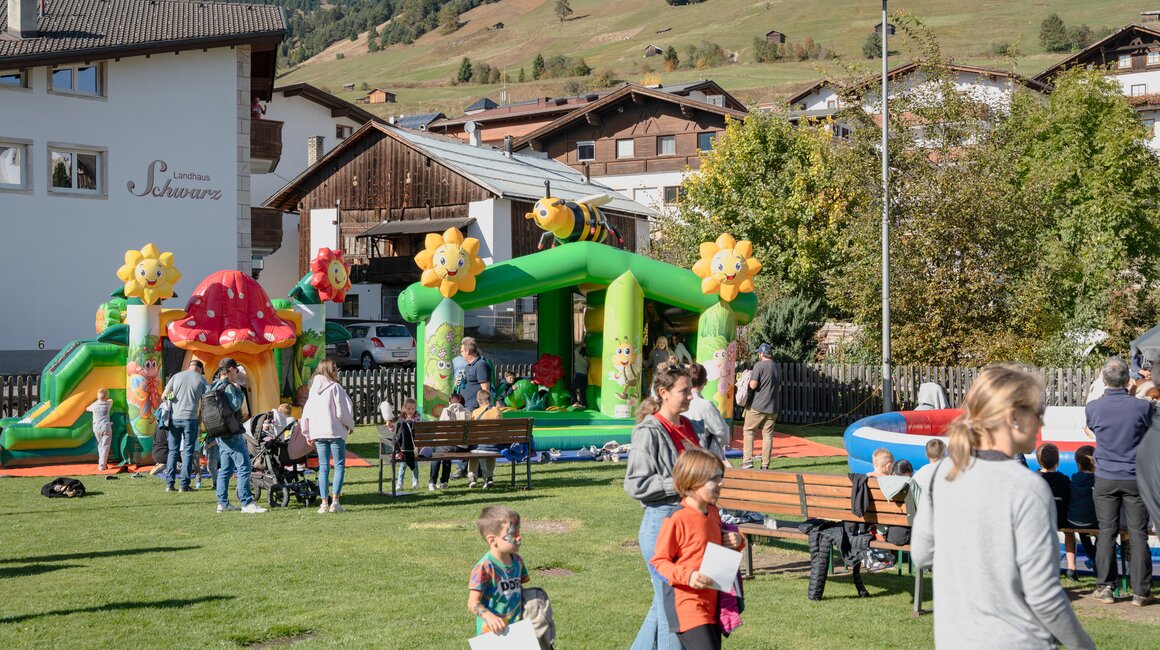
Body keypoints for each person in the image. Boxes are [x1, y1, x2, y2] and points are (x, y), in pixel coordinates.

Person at [911, 365, 1093, 649]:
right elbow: (1044, 597)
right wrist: (1084, 645)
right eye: (1038, 413)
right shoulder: (1027, 487)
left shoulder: (942, 472)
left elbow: (922, 555)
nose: (1041, 424)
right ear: (1013, 418)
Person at [624, 364, 699, 650]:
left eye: (690, 390)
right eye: (684, 391)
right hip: (661, 527)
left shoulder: (689, 426)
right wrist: (682, 483)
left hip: (689, 526)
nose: (690, 396)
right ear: (663, 393)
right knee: (674, 608)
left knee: (663, 604)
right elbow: (635, 485)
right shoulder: (649, 431)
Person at [650, 447, 746, 650]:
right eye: (714, 478)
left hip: (713, 604)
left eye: (721, 476)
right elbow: (659, 562)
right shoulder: (677, 519)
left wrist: (738, 540)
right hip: (688, 606)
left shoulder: (713, 512)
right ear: (693, 481)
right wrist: (689, 576)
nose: (721, 482)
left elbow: (725, 543)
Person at [1084, 356, 1154, 606]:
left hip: (1105, 476)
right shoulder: (1142, 407)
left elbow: (1092, 427)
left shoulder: (1093, 408)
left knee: (1107, 532)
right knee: (1138, 534)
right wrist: (1133, 394)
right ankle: (1140, 591)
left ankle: (1105, 588)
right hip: (1135, 477)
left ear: (1103, 379)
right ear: (1128, 379)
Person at [209, 358, 266, 514]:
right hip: (231, 433)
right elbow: (235, 405)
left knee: (226, 469)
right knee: (244, 467)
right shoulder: (228, 386)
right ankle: (247, 503)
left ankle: (222, 503)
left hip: (220, 432)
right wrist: (238, 390)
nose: (238, 374)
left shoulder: (213, 385)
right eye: (237, 371)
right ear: (231, 369)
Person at [301, 359, 355, 513]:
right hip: (335, 431)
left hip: (318, 432)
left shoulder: (312, 389)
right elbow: (342, 411)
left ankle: (324, 503)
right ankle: (335, 502)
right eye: (335, 368)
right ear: (330, 370)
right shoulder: (336, 388)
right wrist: (350, 425)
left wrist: (307, 432)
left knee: (323, 467)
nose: (336, 370)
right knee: (339, 466)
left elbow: (307, 413)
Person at [468, 505, 531, 636]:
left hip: (517, 630)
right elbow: (472, 603)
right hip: (492, 633)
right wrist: (489, 617)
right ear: (492, 540)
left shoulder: (517, 562)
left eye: (519, 532)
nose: (519, 538)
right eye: (513, 534)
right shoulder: (484, 567)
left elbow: (519, 591)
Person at [161, 359, 208, 492]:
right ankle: (184, 485)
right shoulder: (201, 379)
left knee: (173, 451)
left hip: (174, 418)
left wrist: (175, 396)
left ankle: (169, 485)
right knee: (188, 452)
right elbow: (209, 399)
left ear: (189, 367)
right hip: (190, 419)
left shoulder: (176, 376)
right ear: (199, 369)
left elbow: (163, 397)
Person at [741, 343, 779, 470]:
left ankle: (747, 461)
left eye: (759, 353)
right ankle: (765, 464)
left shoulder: (759, 365)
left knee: (748, 431)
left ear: (762, 353)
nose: (758, 354)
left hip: (758, 406)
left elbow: (753, 385)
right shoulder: (777, 367)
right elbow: (779, 386)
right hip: (773, 407)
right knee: (768, 435)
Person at [1064, 445, 1098, 581]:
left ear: (1078, 465)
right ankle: (1095, 559)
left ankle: (1091, 558)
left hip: (1075, 521)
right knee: (1098, 531)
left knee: (1082, 530)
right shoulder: (1099, 480)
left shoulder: (1074, 479)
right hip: (1094, 521)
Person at [684, 363, 731, 460]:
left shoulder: (674, 403)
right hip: (703, 459)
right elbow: (723, 435)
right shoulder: (706, 406)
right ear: (705, 382)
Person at [431, 393, 469, 490]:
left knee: (438, 451)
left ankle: (432, 482)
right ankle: (444, 482)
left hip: (448, 446)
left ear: (450, 401)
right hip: (462, 448)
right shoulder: (468, 412)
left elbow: (442, 429)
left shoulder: (446, 410)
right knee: (445, 451)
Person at [469, 389, 502, 488]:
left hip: (477, 447)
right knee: (491, 447)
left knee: (473, 450)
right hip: (493, 447)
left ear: (478, 401)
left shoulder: (475, 412)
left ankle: (472, 477)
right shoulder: (496, 410)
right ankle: (489, 477)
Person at [1035, 443, 1070, 531]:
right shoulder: (1064, 480)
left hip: (1041, 520)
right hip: (1061, 520)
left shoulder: (1035, 479)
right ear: (1057, 462)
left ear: (1039, 462)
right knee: (1069, 532)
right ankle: (1069, 545)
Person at [391, 398, 423, 491]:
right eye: (409, 409)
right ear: (404, 408)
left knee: (414, 464)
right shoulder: (402, 418)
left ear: (415, 409)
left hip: (413, 447)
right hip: (405, 447)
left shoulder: (417, 418)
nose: (411, 411)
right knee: (403, 465)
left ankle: (415, 481)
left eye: (413, 409)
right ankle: (400, 483)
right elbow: (398, 432)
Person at [460, 337, 491, 411]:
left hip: (475, 407)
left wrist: (483, 409)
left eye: (462, 351)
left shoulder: (480, 365)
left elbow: (485, 389)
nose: (461, 354)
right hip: (466, 405)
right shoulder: (468, 366)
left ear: (467, 351)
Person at [86, 388, 114, 471]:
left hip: (96, 427)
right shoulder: (108, 404)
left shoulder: (94, 405)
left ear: (97, 396)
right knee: (105, 445)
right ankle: (102, 465)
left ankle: (101, 463)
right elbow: (111, 400)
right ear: (107, 396)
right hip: (105, 426)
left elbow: (87, 408)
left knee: (100, 444)